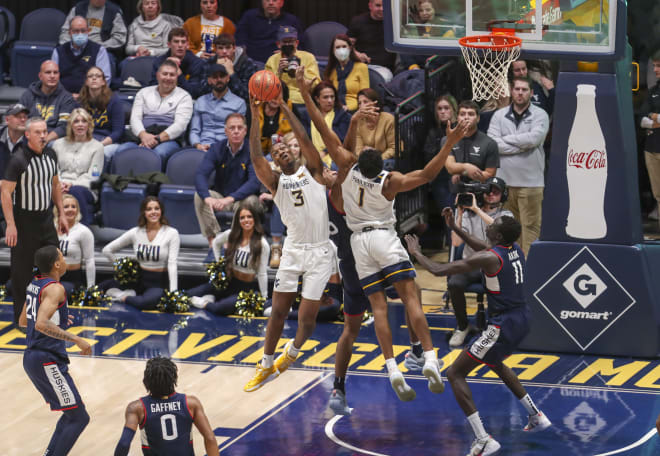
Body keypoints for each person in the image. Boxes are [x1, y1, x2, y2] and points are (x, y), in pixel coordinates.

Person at [299, 66, 469, 400]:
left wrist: (306, 92)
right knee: (410, 296)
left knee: (378, 308)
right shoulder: (389, 183)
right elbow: (427, 173)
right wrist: (449, 143)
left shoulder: (346, 169)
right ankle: (431, 358)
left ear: (359, 161)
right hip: (383, 237)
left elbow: (320, 125)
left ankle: (392, 367)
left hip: (359, 243)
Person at [405, 215, 551, 456]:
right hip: (522, 318)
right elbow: (480, 246)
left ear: (499, 236)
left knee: (455, 373)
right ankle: (536, 414)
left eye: (493, 226)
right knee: (494, 362)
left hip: (502, 324)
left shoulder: (490, 257)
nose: (488, 225)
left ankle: (484, 439)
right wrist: (455, 228)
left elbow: (438, 269)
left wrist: (416, 252)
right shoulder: (513, 249)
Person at [243, 88, 336, 393]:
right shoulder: (274, 181)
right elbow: (256, 154)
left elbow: (307, 140)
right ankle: (266, 362)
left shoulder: (314, 171)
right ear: (275, 160)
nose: (281, 151)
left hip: (321, 251)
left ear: (294, 153)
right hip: (294, 250)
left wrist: (284, 106)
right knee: (279, 310)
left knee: (308, 318)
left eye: (285, 148)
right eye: (277, 151)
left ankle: (291, 353)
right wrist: (255, 113)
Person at [22, 245, 92, 455]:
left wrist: (58, 320)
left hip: (35, 358)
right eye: (62, 257)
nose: (64, 259)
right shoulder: (55, 288)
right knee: (79, 417)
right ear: (56, 264)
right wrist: (76, 339)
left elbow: (24, 320)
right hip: (46, 360)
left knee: (72, 414)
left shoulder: (34, 284)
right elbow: (40, 324)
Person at [1, 118, 68, 326]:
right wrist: (10, 224)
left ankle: (52, 313)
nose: (42, 136)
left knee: (55, 265)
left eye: (45, 132)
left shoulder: (51, 154)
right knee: (21, 275)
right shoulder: (18, 159)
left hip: (46, 219)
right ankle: (23, 321)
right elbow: (5, 192)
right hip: (23, 222)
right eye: (37, 132)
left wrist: (62, 213)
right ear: (27, 135)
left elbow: (55, 185)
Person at [446, 177, 513, 347]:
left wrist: (477, 209)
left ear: (503, 195)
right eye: (488, 191)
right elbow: (456, 242)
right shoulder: (468, 214)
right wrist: (459, 214)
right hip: (471, 264)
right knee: (454, 283)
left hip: (495, 267)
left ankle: (495, 328)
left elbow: (501, 228)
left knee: (498, 288)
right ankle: (462, 326)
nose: (490, 194)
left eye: (496, 191)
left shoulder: (506, 215)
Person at [487, 77, 550, 255]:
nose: (520, 93)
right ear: (511, 91)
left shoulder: (541, 114)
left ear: (531, 92)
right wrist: (522, 144)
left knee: (531, 229)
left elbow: (534, 139)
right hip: (504, 183)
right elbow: (492, 144)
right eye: (517, 89)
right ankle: (512, 267)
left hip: (531, 183)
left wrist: (504, 141)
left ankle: (530, 271)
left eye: (524, 89)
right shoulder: (499, 115)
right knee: (507, 230)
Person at [114, 356, 219, 456]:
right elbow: (210, 438)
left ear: (146, 380)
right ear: (173, 378)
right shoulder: (190, 403)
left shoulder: (137, 408)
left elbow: (124, 444)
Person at [194, 113, 261, 248]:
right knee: (199, 196)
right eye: (232, 128)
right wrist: (208, 198)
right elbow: (200, 174)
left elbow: (255, 182)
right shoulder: (216, 148)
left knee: (250, 202)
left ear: (245, 131)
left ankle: (235, 242)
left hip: (243, 198)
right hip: (222, 196)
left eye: (239, 128)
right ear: (226, 131)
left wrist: (230, 198)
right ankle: (213, 243)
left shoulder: (253, 150)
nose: (236, 131)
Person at [189, 202, 270, 315]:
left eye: (249, 216)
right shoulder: (231, 234)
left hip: (245, 289)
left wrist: (264, 297)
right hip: (227, 282)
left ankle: (204, 303)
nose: (246, 220)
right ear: (238, 220)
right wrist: (219, 263)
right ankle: (211, 296)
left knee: (219, 309)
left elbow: (262, 273)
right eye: (242, 217)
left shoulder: (262, 244)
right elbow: (216, 243)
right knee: (189, 293)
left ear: (255, 219)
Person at [101, 196, 180, 308]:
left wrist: (173, 293)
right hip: (138, 280)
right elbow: (107, 250)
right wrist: (122, 269)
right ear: (144, 212)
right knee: (100, 286)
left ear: (161, 211)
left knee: (143, 303)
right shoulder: (135, 232)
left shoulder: (171, 233)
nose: (153, 212)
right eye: (149, 209)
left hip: (158, 283)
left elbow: (172, 264)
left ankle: (122, 296)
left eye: (156, 208)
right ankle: (129, 293)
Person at [122, 59, 193, 163]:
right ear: (157, 75)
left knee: (158, 154)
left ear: (177, 77)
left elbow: (180, 125)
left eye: (172, 75)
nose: (168, 78)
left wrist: (157, 139)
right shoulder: (143, 92)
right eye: (165, 74)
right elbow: (135, 118)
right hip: (142, 136)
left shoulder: (184, 96)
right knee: (122, 150)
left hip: (168, 139)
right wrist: (143, 136)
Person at [52, 108, 104, 226]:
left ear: (89, 125)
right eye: (76, 121)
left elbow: (94, 175)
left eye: (84, 121)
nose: (80, 125)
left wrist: (71, 185)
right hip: (59, 185)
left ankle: (84, 230)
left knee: (76, 191)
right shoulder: (58, 144)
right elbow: (54, 170)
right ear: (70, 125)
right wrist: (60, 183)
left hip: (85, 187)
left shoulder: (97, 147)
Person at [261, 132, 299, 268]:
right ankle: (276, 247)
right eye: (289, 146)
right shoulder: (274, 164)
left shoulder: (308, 164)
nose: (293, 149)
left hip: (304, 204)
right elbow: (263, 187)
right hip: (279, 205)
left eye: (296, 145)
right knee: (279, 201)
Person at [190, 63, 246, 150]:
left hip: (227, 148)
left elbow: (239, 133)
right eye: (215, 77)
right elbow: (195, 130)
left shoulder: (239, 103)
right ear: (209, 80)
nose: (219, 79)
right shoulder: (200, 102)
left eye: (222, 76)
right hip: (203, 147)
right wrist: (198, 145)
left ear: (228, 78)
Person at [19, 61, 77, 144]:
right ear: (40, 76)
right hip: (30, 137)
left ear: (59, 75)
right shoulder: (28, 95)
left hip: (53, 140)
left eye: (55, 72)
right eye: (48, 72)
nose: (52, 76)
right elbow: (21, 120)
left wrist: (44, 140)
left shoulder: (66, 98)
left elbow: (63, 127)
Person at [423, 95, 457, 239]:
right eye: (439, 108)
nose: (443, 112)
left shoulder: (460, 129)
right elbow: (428, 157)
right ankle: (453, 256)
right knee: (450, 219)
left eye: (446, 108)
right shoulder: (433, 133)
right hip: (441, 180)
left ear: (453, 110)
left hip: (459, 178)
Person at [52, 16, 112, 96]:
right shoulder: (58, 52)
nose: (80, 34)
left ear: (88, 31)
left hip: (91, 98)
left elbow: (105, 79)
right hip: (63, 99)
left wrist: (86, 97)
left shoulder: (99, 51)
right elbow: (52, 79)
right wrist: (66, 96)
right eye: (76, 31)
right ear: (70, 32)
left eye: (83, 31)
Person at [444, 100, 499, 186]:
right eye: (462, 114)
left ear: (478, 118)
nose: (466, 117)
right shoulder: (448, 140)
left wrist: (462, 171)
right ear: (457, 117)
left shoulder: (490, 143)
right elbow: (450, 167)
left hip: (480, 192)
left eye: (471, 114)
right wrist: (466, 167)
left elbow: (489, 175)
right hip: (453, 191)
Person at [265, 26, 320, 109]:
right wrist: (278, 73)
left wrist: (301, 73)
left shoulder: (308, 57)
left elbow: (316, 85)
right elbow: (266, 88)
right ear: (278, 44)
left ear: (297, 43)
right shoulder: (272, 60)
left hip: (301, 101)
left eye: (290, 41)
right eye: (284, 41)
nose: (287, 44)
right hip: (279, 102)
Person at [235, 0, 305, 64]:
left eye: (274, 0)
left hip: (280, 62)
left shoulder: (291, 20)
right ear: (262, 2)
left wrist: (288, 52)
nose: (271, 3)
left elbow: (300, 45)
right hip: (252, 63)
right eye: (267, 0)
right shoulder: (249, 17)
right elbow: (239, 42)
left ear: (282, 3)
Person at [79, 66, 124, 162]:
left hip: (107, 142)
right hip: (85, 140)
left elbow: (118, 132)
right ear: (86, 82)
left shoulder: (114, 101)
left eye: (98, 76)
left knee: (101, 154)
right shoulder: (80, 102)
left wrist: (100, 144)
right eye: (90, 76)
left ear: (103, 82)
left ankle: (97, 177)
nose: (94, 78)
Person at [303, 81, 352, 167]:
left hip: (334, 155)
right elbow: (305, 137)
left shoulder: (343, 115)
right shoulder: (308, 115)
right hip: (312, 153)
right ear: (317, 99)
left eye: (332, 97)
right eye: (325, 97)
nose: (330, 100)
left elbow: (342, 141)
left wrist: (324, 152)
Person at [56, 194, 96, 297]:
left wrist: (91, 289)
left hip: (72, 279)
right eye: (66, 207)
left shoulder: (83, 231)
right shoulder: (50, 228)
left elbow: (89, 261)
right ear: (59, 209)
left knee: (55, 292)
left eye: (73, 207)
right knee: (12, 286)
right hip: (51, 277)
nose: (71, 209)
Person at [149, 28, 206, 98]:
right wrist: (166, 68)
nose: (180, 45)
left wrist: (179, 74)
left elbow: (194, 93)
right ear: (169, 44)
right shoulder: (160, 61)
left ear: (187, 45)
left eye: (183, 42)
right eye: (176, 41)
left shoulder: (197, 63)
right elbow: (152, 89)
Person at [203, 33, 259, 104]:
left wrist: (232, 74)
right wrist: (215, 70)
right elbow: (202, 91)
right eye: (220, 48)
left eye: (228, 48)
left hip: (238, 105)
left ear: (234, 48)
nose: (224, 52)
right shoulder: (210, 62)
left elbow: (247, 95)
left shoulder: (247, 64)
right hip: (212, 102)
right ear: (215, 49)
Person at [347, 0, 396, 78]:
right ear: (370, 6)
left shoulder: (394, 22)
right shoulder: (358, 21)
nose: (382, 9)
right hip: (361, 65)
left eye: (384, 6)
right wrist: (356, 54)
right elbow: (347, 45)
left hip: (385, 68)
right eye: (378, 5)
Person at [60, 0, 127, 53]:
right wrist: (70, 46)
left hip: (102, 49)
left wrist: (100, 47)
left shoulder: (114, 11)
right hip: (76, 47)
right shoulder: (78, 8)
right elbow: (65, 31)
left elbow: (119, 37)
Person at [324, 34, 370, 112]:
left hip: (355, 109)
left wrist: (348, 107)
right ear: (333, 51)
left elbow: (365, 96)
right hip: (334, 108)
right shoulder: (331, 70)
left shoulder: (361, 67)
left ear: (350, 48)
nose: (341, 50)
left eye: (344, 46)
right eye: (337, 47)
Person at [641, 51, 660, 226]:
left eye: (658, 66)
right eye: (654, 65)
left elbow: (649, 117)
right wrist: (656, 119)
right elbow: (642, 119)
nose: (655, 70)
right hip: (652, 148)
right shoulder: (654, 91)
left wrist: (653, 116)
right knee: (658, 194)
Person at [353, 88, 395, 161]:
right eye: (359, 103)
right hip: (366, 161)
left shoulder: (388, 119)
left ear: (375, 103)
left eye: (365, 102)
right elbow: (358, 149)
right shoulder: (359, 122)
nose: (362, 106)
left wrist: (376, 159)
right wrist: (363, 154)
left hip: (385, 159)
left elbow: (393, 148)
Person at [257, 84, 292, 156]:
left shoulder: (289, 108)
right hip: (257, 151)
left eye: (279, 97)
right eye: (273, 95)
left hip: (281, 151)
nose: (275, 100)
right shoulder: (256, 107)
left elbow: (297, 133)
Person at [0, 103, 29, 173]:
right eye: (18, 116)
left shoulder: (32, 140)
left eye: (25, 117)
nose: (23, 119)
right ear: (7, 120)